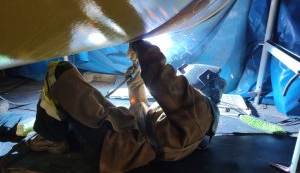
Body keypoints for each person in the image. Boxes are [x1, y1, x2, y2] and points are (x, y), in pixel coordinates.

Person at [27, 40, 226, 172]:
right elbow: (141, 109)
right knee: (79, 93)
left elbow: (161, 79)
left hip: (120, 144)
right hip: (127, 139)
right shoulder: (194, 122)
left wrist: (141, 44)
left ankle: (52, 140)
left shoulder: (199, 110)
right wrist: (135, 80)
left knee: (60, 72)